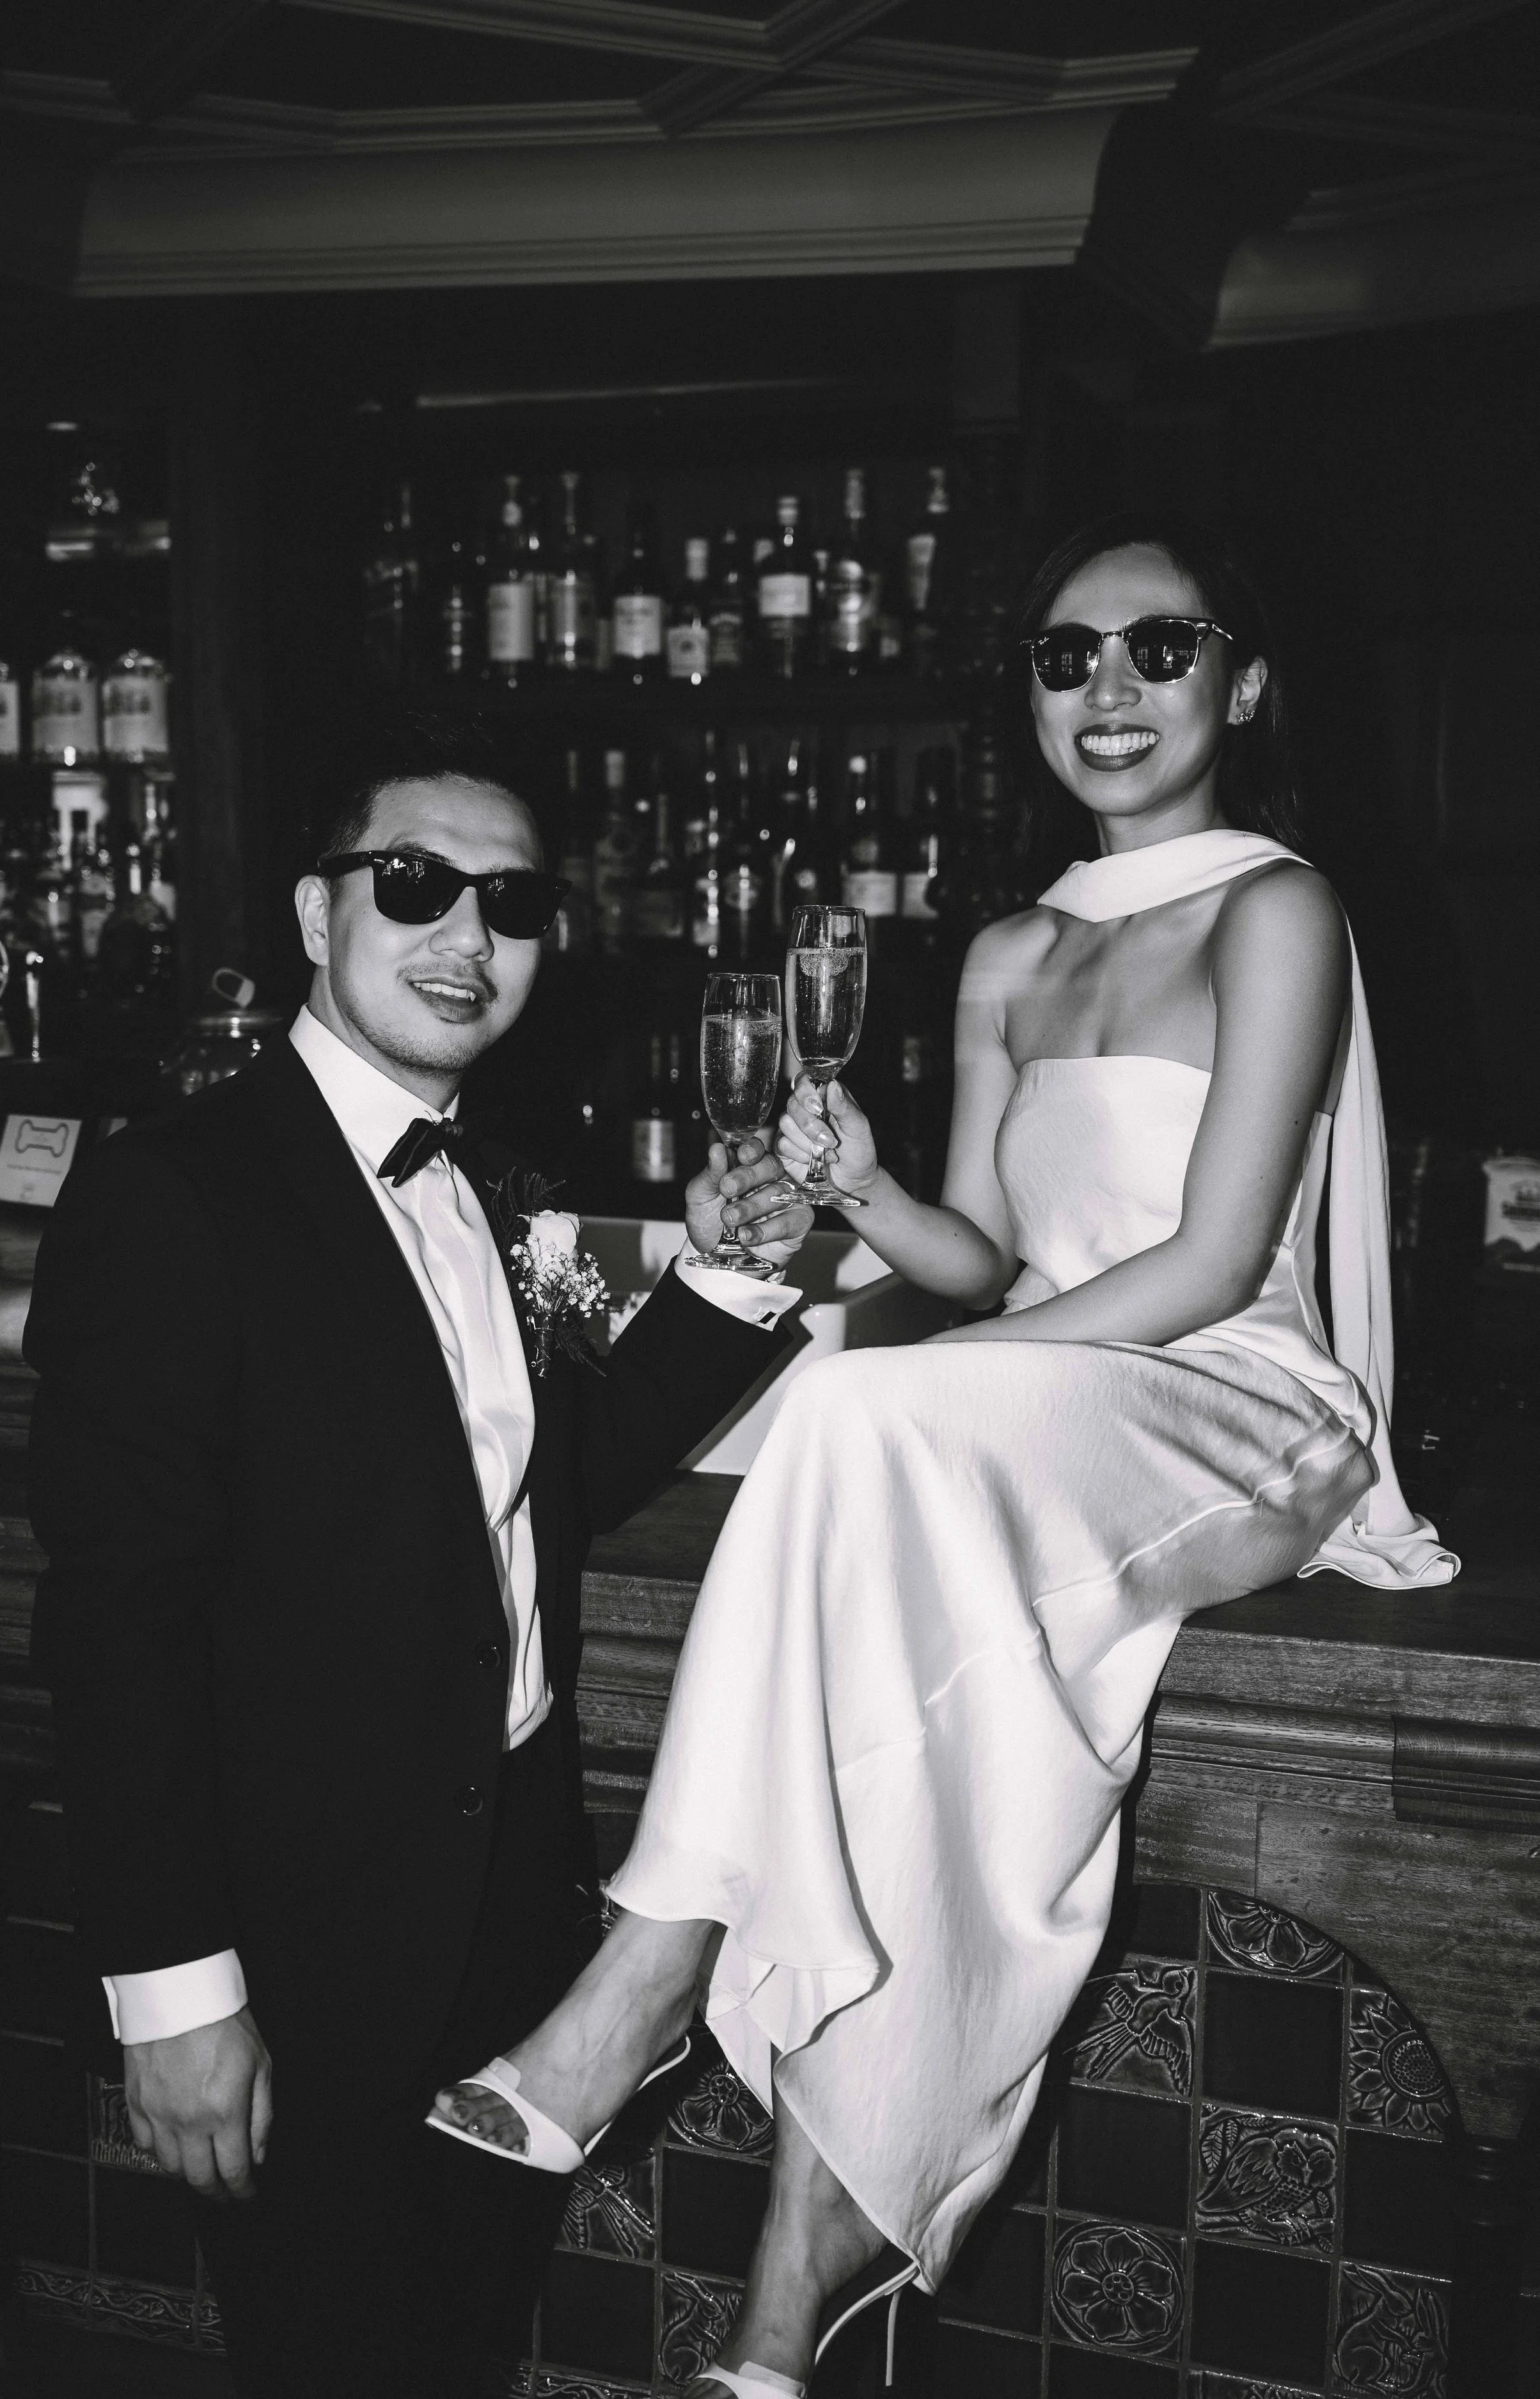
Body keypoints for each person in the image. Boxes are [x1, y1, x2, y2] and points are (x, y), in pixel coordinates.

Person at [430, 516, 1459, 2395]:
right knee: (932, 1742)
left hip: (1236, 1399)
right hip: (1045, 1407)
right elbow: (984, 1251)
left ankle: (652, 1964)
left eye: (1159, 649)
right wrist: (869, 1190)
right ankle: (783, 2298)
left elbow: (1216, 1260)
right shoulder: (1007, 947)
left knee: (856, 1409)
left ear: (1238, 685)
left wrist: (938, 1372)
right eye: (1066, 661)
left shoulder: (1273, 908)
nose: (1111, 693)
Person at [24, 712, 812, 2398]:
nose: (467, 938)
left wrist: (729, 1285)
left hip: (508, 1886)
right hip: (304, 1927)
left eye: (509, 905)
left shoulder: (475, 1180)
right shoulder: (176, 1196)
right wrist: (171, 1990)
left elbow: (531, 1492)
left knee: (458, 2340)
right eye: (415, 886)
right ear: (316, 916)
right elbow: (115, 1631)